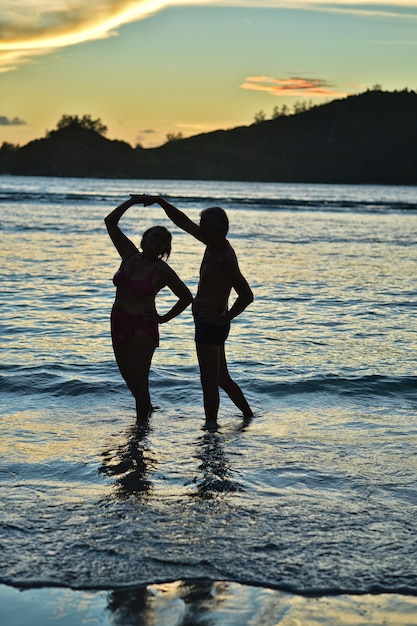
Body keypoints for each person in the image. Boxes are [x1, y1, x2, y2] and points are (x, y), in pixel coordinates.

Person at [134, 194, 254, 428]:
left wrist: (223, 318)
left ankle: (210, 429)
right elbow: (183, 222)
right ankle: (248, 416)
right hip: (207, 320)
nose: (199, 230)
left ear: (217, 230)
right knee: (221, 378)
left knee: (208, 381)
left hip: (211, 323)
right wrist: (160, 201)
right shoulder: (213, 243)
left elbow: (246, 295)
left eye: (204, 227)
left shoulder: (224, 257)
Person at [105, 196, 193, 421]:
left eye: (162, 239)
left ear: (165, 248)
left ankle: (140, 432)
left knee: (139, 380)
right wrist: (132, 201)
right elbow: (110, 221)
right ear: (144, 237)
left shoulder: (162, 270)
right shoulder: (129, 254)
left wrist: (162, 318)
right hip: (119, 319)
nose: (156, 239)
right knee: (128, 377)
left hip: (143, 325)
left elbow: (186, 297)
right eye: (153, 234)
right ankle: (146, 415)